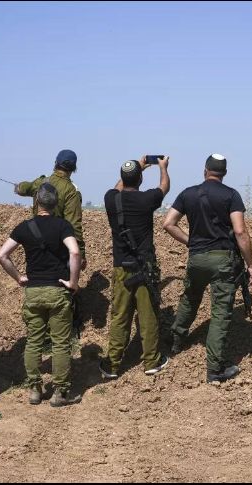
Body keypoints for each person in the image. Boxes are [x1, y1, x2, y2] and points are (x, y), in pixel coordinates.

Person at [162, 154, 252, 383]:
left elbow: (168, 223)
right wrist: (251, 264)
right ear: (224, 173)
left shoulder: (188, 193)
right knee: (221, 312)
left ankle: (176, 341)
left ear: (205, 170)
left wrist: (190, 241)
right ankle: (215, 369)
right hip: (223, 260)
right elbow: (240, 231)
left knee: (190, 298)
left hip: (196, 258)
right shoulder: (231, 195)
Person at [0, 183, 83, 407]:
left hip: (33, 291)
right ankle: (60, 393)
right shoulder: (63, 226)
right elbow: (74, 251)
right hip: (57, 291)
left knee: (34, 341)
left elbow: (2, 255)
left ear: (37, 203)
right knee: (61, 344)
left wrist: (19, 277)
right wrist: (73, 282)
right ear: (55, 203)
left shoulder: (24, 227)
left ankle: (35, 390)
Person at [99, 156, 171, 379]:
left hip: (121, 267)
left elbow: (116, 188)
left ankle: (112, 365)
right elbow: (164, 187)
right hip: (144, 266)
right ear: (140, 179)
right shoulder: (147, 199)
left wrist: (138, 166)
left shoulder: (111, 199)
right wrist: (162, 167)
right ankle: (151, 361)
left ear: (121, 178)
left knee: (120, 315)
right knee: (148, 316)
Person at [14, 149, 86, 269]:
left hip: (36, 242)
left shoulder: (42, 182)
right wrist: (81, 254)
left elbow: (25, 188)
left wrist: (18, 187)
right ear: (73, 168)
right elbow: (74, 226)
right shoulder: (71, 191)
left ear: (55, 163)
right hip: (58, 246)